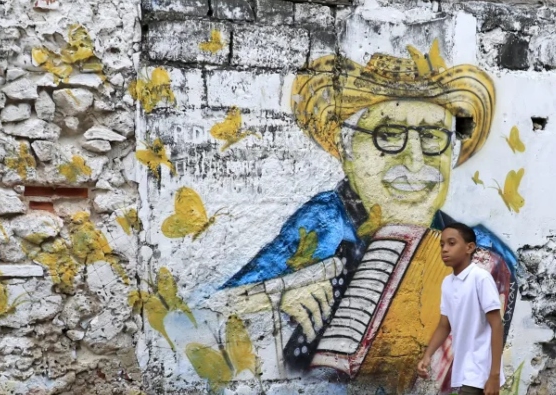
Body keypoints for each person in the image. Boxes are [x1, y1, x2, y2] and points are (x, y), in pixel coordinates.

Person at [213, 42, 517, 393]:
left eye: (433, 138)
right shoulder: (324, 223)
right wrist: (276, 297)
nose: (416, 163)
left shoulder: (480, 249)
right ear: (347, 149)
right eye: (389, 136)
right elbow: (218, 312)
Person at [417, 223, 505, 395]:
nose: (444, 249)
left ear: (469, 247)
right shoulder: (447, 283)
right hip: (464, 369)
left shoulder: (480, 279)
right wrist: (427, 355)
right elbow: (444, 325)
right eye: (442, 244)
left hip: (480, 371)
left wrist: (494, 375)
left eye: (451, 243)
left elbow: (497, 325)